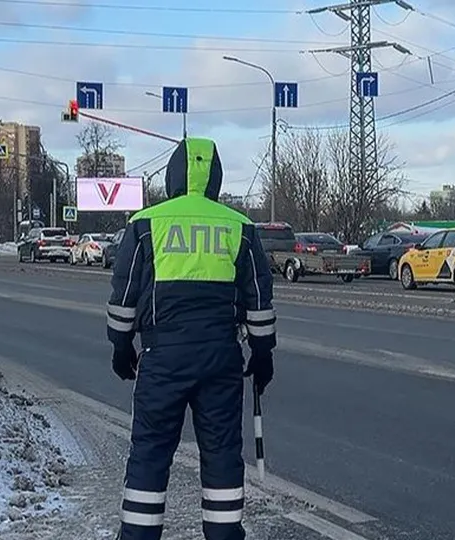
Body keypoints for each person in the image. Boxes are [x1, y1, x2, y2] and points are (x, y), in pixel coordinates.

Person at [106, 137, 276, 540]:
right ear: (215, 177)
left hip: (162, 358)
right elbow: (257, 293)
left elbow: (125, 289)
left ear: (172, 175)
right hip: (221, 360)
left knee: (150, 451)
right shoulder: (239, 226)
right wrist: (263, 352)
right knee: (220, 456)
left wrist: (120, 343)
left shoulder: (146, 223)